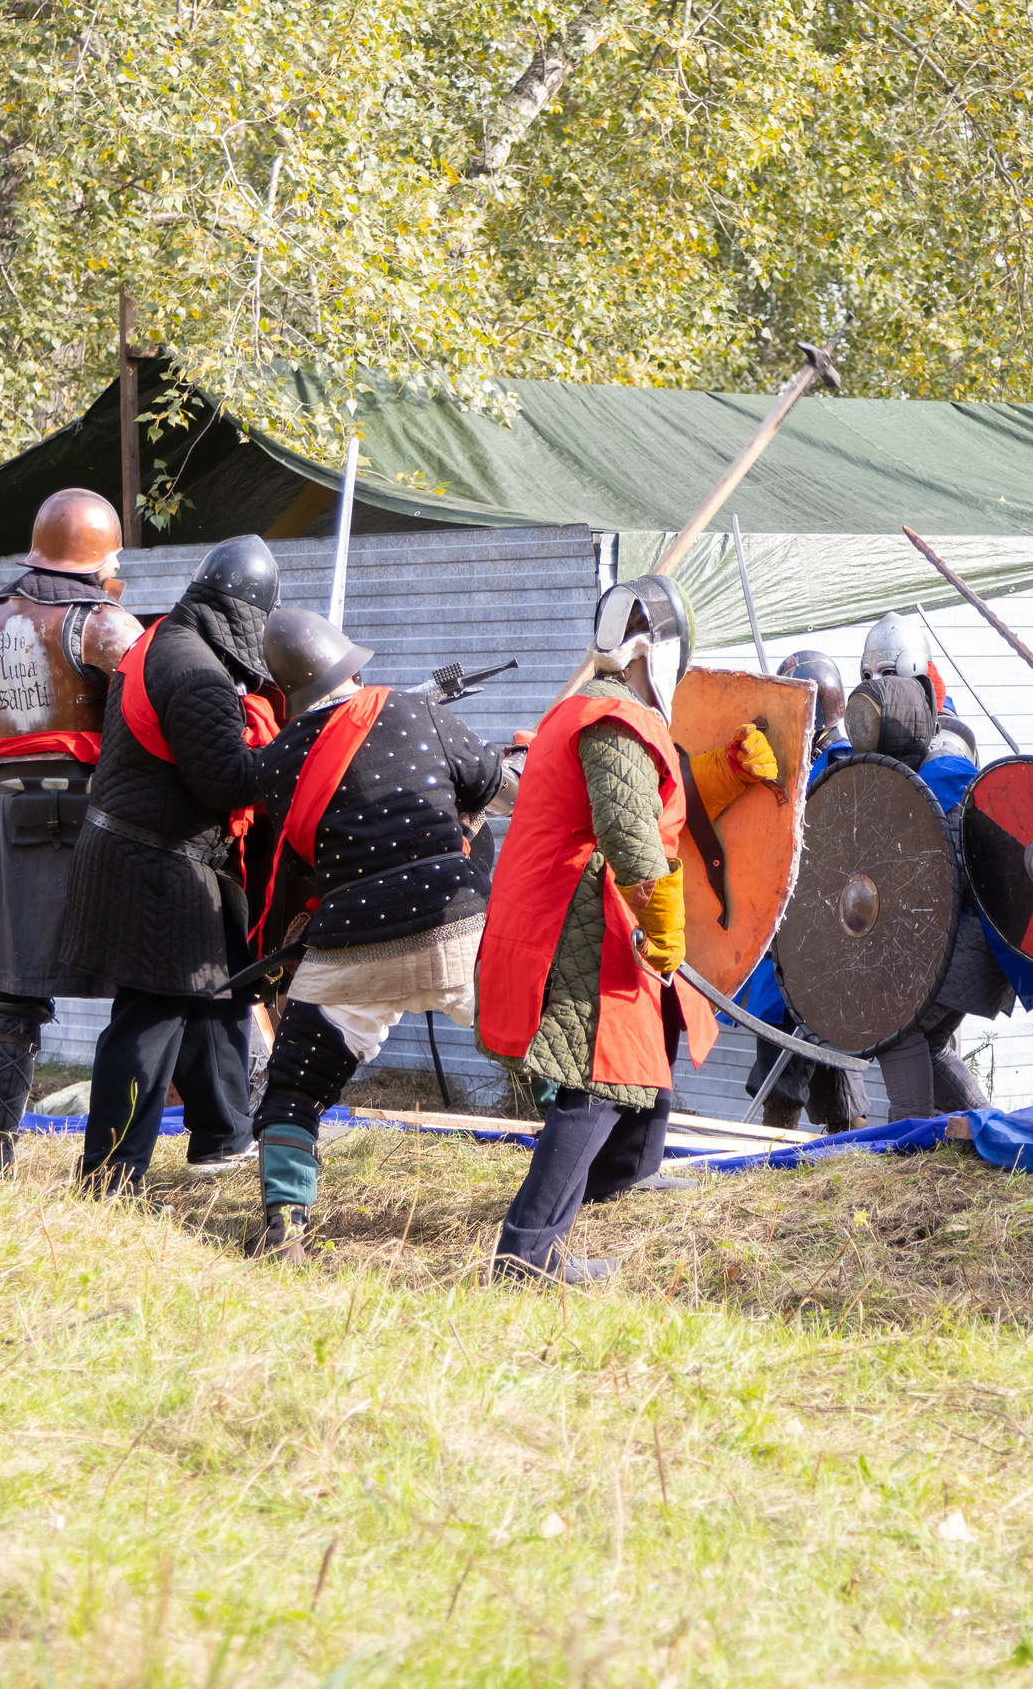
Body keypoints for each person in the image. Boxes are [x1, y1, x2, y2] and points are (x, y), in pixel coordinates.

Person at [477, 575, 723, 1282]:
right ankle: (527, 1251)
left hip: (579, 905)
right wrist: (661, 910)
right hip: (569, 913)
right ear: (658, 653)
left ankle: (625, 1170)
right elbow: (627, 827)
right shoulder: (613, 719)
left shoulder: (596, 710)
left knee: (647, 1031)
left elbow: (659, 802)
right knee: (599, 1074)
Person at [243, 607, 506, 1259]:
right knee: (551, 1042)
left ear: (285, 694)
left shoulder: (277, 761)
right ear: (351, 665)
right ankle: (587, 1176)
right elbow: (493, 788)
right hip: (457, 921)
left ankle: (284, 1227)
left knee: (295, 1085)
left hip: (351, 940)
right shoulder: (421, 715)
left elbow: (289, 864)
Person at [0, 489, 143, 1176]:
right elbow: (148, 728)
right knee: (141, 996)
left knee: (7, 998)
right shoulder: (108, 627)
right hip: (103, 823)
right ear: (100, 559)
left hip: (8, 818)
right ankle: (110, 1166)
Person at [58, 536, 288, 1195]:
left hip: (154, 855)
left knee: (219, 991)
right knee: (148, 1022)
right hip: (154, 866)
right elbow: (225, 782)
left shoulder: (164, 639)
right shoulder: (198, 675)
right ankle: (109, 1174)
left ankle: (223, 1136)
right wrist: (298, 746)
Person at [839, 672, 1033, 1119]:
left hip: (974, 939)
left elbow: (954, 878)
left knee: (895, 1022)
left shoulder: (945, 780)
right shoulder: (913, 778)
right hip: (964, 941)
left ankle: (908, 1140)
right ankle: (988, 1127)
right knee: (932, 1044)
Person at [734, 647, 862, 1132]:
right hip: (787, 940)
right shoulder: (795, 766)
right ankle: (813, 1155)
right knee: (805, 1056)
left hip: (821, 942)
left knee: (801, 1061)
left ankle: (779, 1149)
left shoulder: (845, 768)